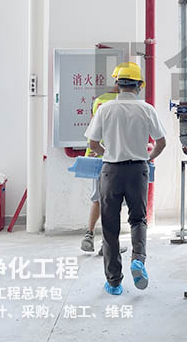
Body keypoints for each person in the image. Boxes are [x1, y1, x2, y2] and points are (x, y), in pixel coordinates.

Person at [84, 61, 166, 296]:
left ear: (117, 85)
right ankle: (138, 259)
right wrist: (147, 157)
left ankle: (114, 283)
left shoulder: (105, 109)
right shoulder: (146, 109)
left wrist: (109, 153)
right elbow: (161, 142)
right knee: (138, 220)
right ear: (139, 85)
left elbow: (92, 143)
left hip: (111, 171)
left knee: (110, 226)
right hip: (138, 170)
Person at [80, 91, 117, 256]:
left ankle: (89, 235)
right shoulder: (123, 102)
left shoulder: (99, 101)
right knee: (112, 201)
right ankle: (107, 244)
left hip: (97, 156)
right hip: (114, 158)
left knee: (98, 199)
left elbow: (93, 130)